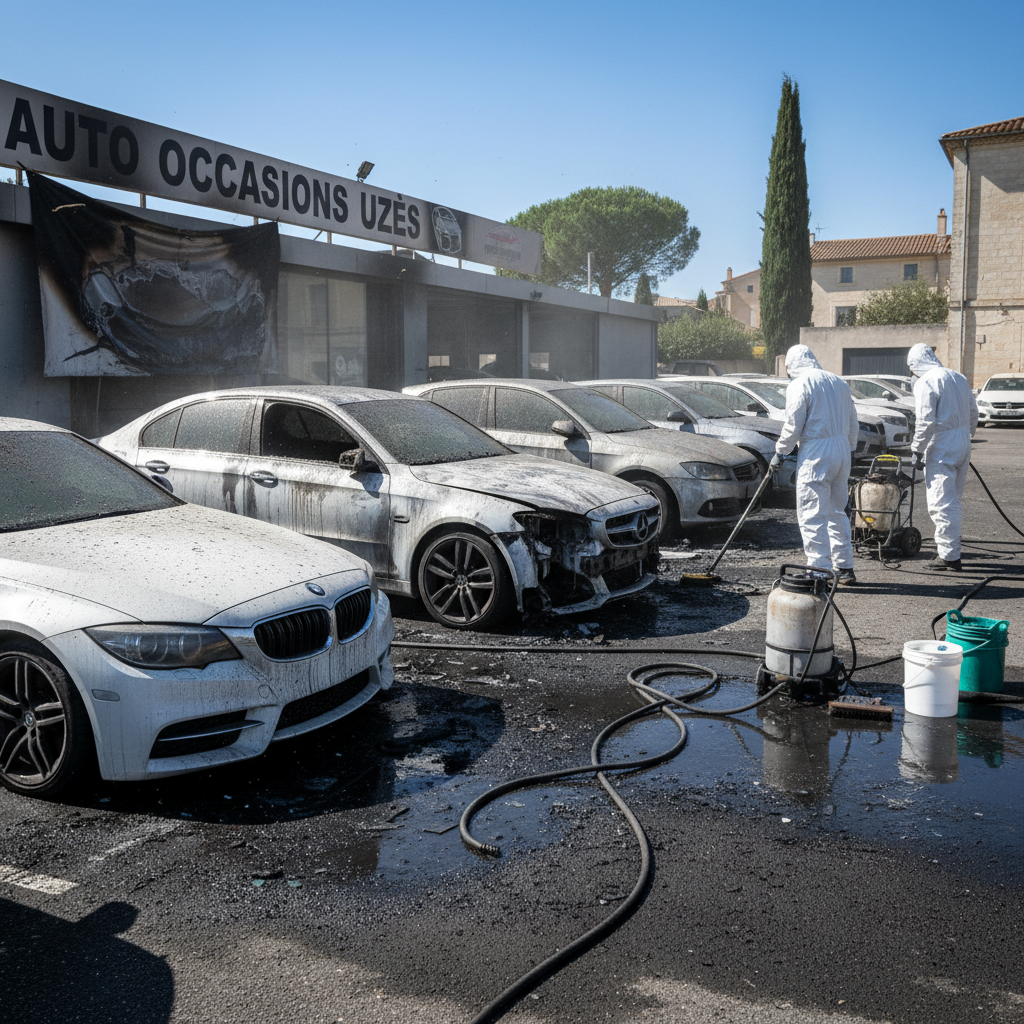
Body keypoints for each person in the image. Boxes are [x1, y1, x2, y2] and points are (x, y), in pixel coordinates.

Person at [770, 344, 860, 585]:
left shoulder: (800, 385)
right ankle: (844, 567)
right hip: (841, 451)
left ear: (792, 365)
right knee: (837, 511)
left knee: (812, 512)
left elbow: (793, 424)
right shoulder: (838, 382)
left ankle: (819, 571)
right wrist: (848, 448)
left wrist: (780, 451)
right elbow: (853, 421)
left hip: (817, 452)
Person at [906, 343, 978, 571]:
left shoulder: (926, 381)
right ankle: (951, 552)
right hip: (962, 441)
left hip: (942, 445)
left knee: (941, 504)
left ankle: (948, 557)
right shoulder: (959, 377)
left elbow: (926, 421)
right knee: (953, 501)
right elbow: (973, 412)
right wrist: (966, 435)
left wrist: (917, 450)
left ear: (915, 364)